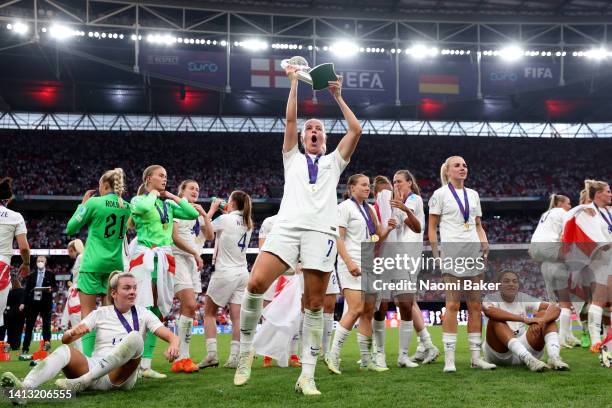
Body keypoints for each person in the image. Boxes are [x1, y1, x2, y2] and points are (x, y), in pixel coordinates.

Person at [234, 62, 362, 396]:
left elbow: (356, 130)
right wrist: (293, 84)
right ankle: (246, 351)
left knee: (315, 305)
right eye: (310, 130)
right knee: (256, 282)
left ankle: (307, 375)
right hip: (288, 228)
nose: (314, 132)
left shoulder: (335, 161)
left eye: (319, 129)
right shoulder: (291, 156)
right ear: (303, 138)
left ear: (325, 138)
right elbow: (290, 119)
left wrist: (337, 97)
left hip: (321, 233)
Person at [0, 272, 179, 404]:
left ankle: (83, 382)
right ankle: (25, 389)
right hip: (94, 366)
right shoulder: (100, 313)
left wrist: (174, 345)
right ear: (114, 293)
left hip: (119, 376)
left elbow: (171, 336)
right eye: (126, 288)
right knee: (64, 350)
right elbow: (65, 340)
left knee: (135, 338)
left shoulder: (144, 313)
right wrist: (72, 333)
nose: (132, 292)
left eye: (134, 288)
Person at [129, 165, 199, 378]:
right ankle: (132, 363)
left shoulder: (167, 203)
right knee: (142, 310)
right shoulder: (139, 200)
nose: (165, 179)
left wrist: (170, 196)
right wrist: (152, 193)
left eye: (167, 176)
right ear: (149, 178)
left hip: (165, 260)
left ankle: (146, 365)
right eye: (161, 175)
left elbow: (192, 212)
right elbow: (142, 209)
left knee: (158, 311)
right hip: (145, 258)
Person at [428, 156, 495, 372]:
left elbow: (478, 224)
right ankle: (450, 360)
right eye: (457, 165)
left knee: (475, 306)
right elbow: (432, 227)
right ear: (447, 170)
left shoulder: (473, 195)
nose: (462, 168)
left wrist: (484, 242)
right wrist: (436, 252)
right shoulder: (439, 195)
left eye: (465, 165)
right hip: (452, 253)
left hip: (473, 252)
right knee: (452, 305)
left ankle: (476, 357)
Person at [326, 174, 392, 374]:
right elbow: (338, 238)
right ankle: (333, 356)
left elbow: (377, 235)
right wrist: (348, 262)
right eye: (363, 185)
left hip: (370, 264)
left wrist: (389, 227)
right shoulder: (344, 207)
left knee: (368, 312)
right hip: (352, 262)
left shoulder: (370, 209)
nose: (367, 188)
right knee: (355, 308)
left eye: (368, 185)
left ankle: (365, 360)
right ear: (352, 188)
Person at [65, 168, 131, 358]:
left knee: (88, 314)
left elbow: (71, 228)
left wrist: (82, 205)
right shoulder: (126, 206)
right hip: (115, 266)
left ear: (104, 185)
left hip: (93, 264)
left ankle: (88, 359)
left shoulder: (94, 202)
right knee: (110, 314)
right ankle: (108, 356)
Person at [199, 191, 253, 369]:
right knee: (237, 318)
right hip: (242, 273)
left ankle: (212, 355)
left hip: (225, 272)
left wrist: (212, 210)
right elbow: (232, 228)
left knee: (209, 313)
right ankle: (234, 358)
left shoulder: (225, 220)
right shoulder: (248, 223)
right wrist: (227, 213)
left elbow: (205, 228)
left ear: (232, 203)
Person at [482, 270, 569, 371]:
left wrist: (542, 320)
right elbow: (490, 312)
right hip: (499, 353)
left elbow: (555, 308)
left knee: (545, 315)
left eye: (514, 281)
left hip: (524, 348)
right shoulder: (490, 298)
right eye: (506, 281)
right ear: (498, 285)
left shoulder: (523, 297)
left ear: (518, 285)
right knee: (496, 320)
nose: (511, 284)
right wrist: (524, 319)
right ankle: (528, 359)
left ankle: (554, 357)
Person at [170, 180, 212, 374]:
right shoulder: (178, 207)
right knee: (189, 305)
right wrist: (195, 254)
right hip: (178, 258)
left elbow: (210, 236)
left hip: (192, 263)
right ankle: (182, 357)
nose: (195, 190)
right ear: (182, 190)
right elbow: (174, 237)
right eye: (191, 188)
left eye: (197, 188)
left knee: (190, 308)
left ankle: (182, 357)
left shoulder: (196, 213)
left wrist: (204, 215)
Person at [529, 194, 577, 347]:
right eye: (568, 203)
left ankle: (564, 334)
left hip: (541, 255)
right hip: (552, 251)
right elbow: (567, 235)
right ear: (560, 203)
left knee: (552, 302)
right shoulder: (563, 213)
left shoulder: (546, 213)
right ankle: (562, 338)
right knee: (565, 303)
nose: (570, 206)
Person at [258, 214, 301, 369]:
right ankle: (267, 355)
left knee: (293, 316)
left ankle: (293, 354)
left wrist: (301, 263)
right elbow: (262, 247)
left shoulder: (299, 221)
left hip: (292, 276)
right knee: (268, 313)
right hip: (272, 274)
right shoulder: (269, 221)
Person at [0, 177, 29, 331]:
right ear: (8, 199)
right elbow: (24, 248)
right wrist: (26, 263)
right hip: (2, 265)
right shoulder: (15, 216)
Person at [21, 256, 56, 358]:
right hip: (33, 304)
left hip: (46, 303)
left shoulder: (50, 274)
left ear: (45, 263)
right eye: (38, 261)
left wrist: (50, 289)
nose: (40, 262)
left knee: (46, 326)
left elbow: (54, 286)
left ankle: (47, 346)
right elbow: (26, 290)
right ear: (36, 262)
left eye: (42, 261)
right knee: (29, 326)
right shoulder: (31, 275)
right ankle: (25, 348)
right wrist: (23, 303)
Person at [60, 239, 85, 352]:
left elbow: (80, 277)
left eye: (70, 251)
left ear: (74, 250)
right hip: (77, 292)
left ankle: (83, 356)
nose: (69, 254)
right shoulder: (82, 257)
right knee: (79, 329)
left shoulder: (80, 258)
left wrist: (74, 284)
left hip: (76, 294)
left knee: (77, 329)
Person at [1, 277, 25, 351]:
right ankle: (16, 346)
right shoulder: (23, 291)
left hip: (10, 314)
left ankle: (10, 344)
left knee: (10, 330)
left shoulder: (10, 292)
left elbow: (7, 304)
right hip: (20, 314)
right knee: (18, 330)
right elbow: (24, 302)